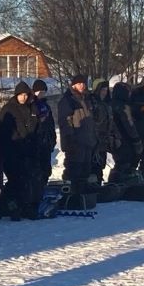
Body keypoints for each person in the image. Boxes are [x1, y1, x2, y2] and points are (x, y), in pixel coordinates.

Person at [0, 82, 40, 220]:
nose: (23, 97)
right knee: (14, 180)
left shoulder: (31, 108)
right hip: (13, 150)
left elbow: (34, 127)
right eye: (21, 95)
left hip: (28, 150)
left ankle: (20, 206)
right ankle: (10, 207)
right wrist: (18, 140)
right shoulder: (9, 109)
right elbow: (6, 131)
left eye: (25, 95)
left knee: (25, 180)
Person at [57, 75, 98, 206]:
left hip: (87, 140)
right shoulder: (68, 100)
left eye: (84, 83)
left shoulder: (86, 99)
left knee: (85, 170)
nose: (82, 86)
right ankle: (70, 198)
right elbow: (65, 123)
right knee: (73, 170)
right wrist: (69, 140)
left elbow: (91, 121)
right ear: (74, 85)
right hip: (75, 142)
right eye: (79, 83)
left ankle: (82, 197)